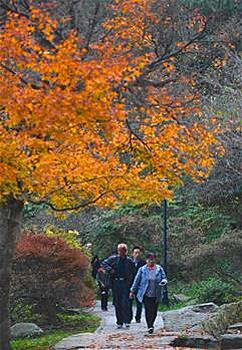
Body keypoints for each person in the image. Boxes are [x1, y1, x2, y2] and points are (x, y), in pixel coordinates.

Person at [129, 252, 167, 334]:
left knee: (154, 311)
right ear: (146, 260)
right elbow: (136, 281)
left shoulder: (159, 269)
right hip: (145, 293)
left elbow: (164, 278)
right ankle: (149, 326)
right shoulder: (142, 270)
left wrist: (163, 282)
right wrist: (132, 291)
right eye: (150, 259)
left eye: (153, 259)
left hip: (156, 293)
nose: (151, 261)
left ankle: (152, 323)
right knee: (148, 309)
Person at [102, 243, 135, 329]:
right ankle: (119, 322)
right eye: (119, 250)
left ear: (125, 251)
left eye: (123, 250)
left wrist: (133, 285)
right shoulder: (113, 259)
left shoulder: (129, 261)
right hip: (116, 283)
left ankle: (127, 320)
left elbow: (133, 273)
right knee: (117, 303)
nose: (121, 252)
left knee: (126, 302)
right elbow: (104, 263)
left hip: (125, 283)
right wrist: (110, 270)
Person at [130, 246, 146, 323]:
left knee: (139, 302)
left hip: (140, 286)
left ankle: (138, 317)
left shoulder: (143, 263)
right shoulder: (129, 262)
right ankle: (129, 317)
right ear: (132, 254)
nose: (137, 254)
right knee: (129, 302)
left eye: (138, 253)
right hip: (130, 285)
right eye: (136, 252)